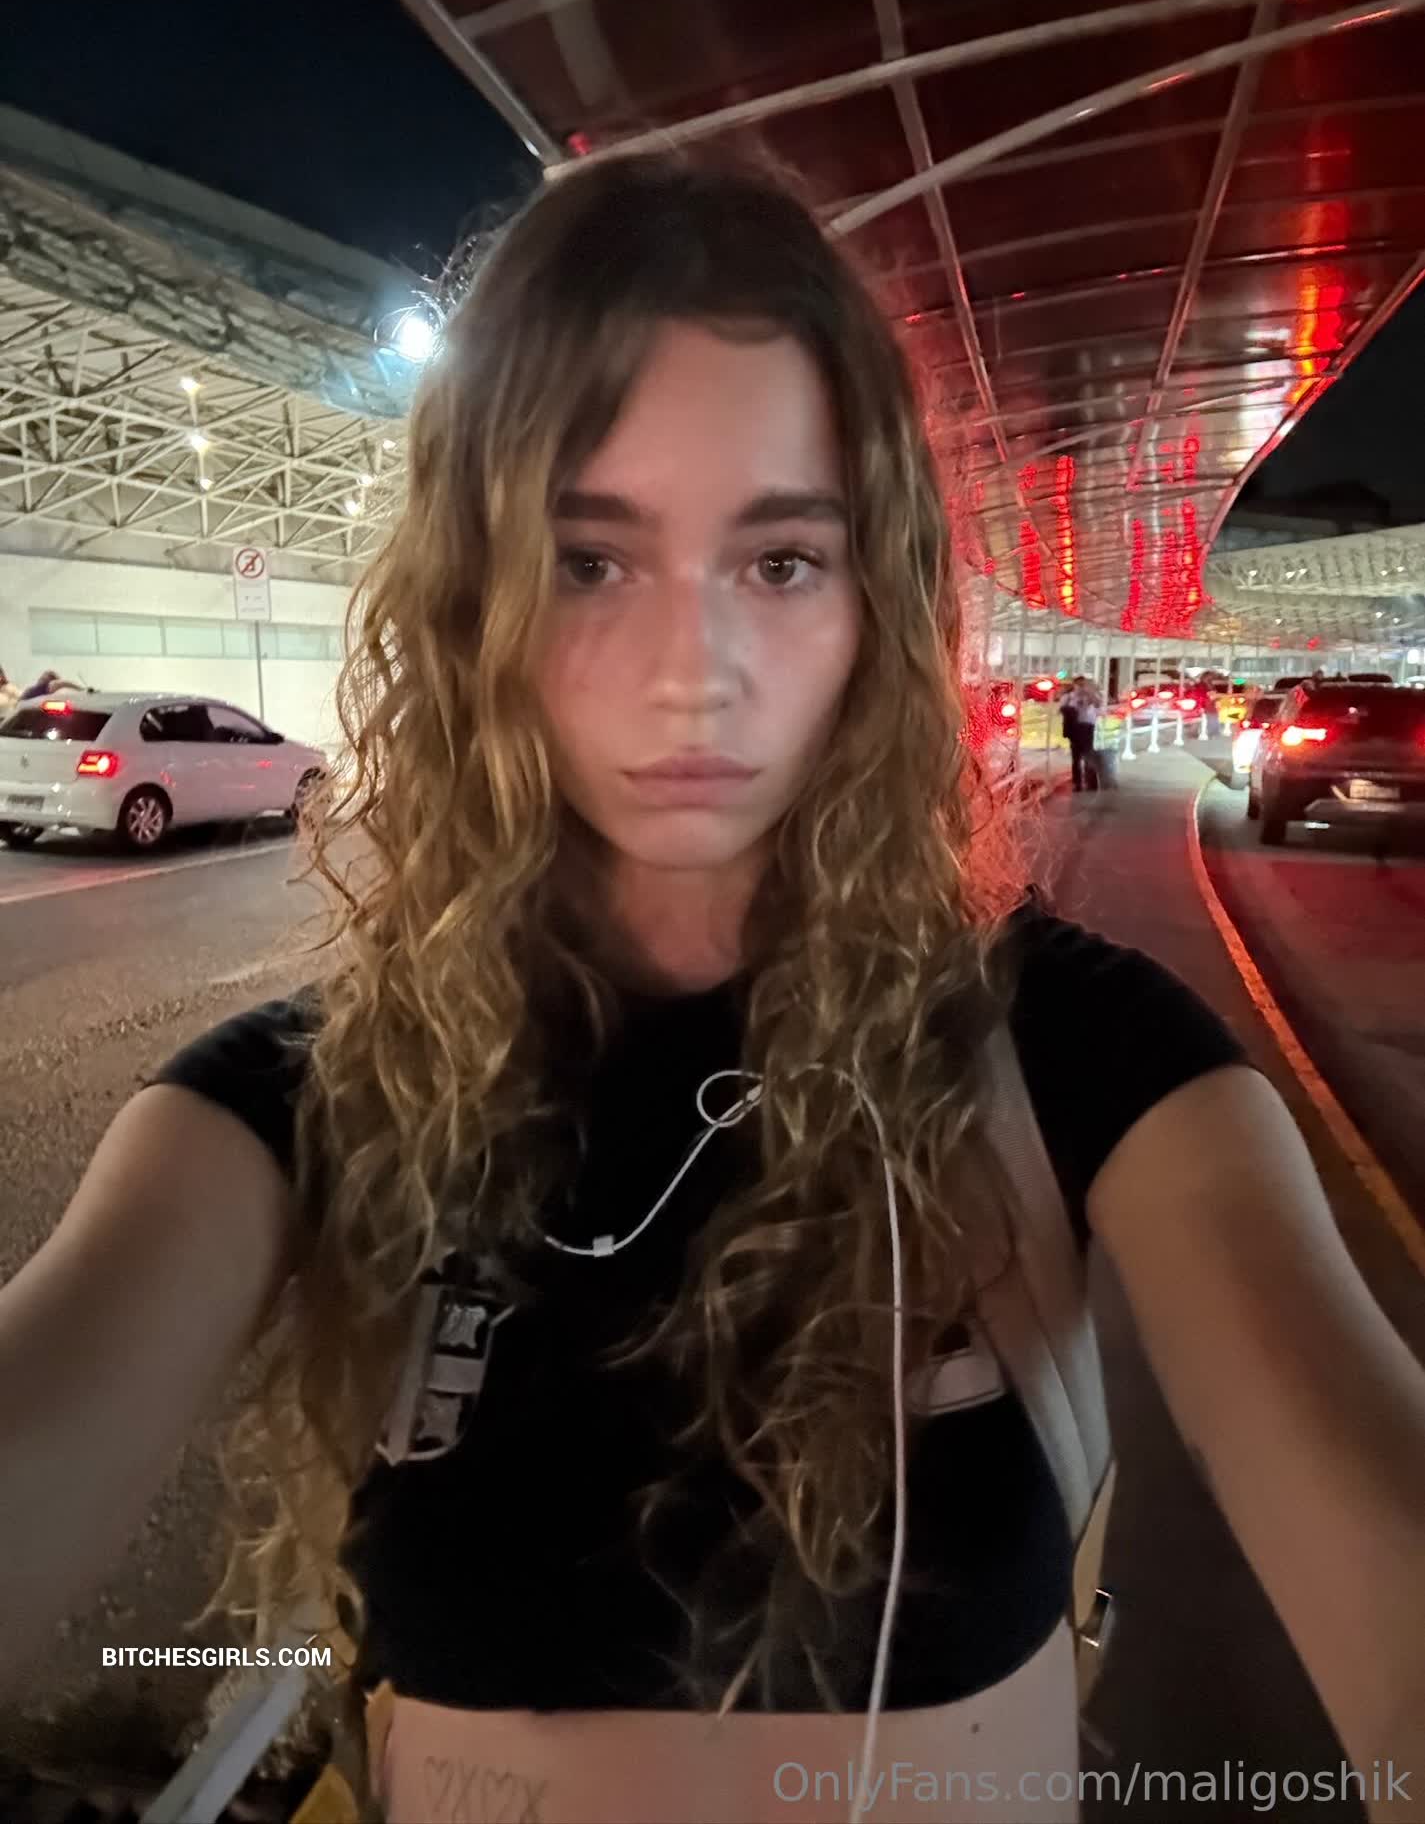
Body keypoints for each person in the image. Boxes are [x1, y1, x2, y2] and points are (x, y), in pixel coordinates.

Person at [1, 156, 1423, 1824]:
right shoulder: (287, 1112)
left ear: (877, 602)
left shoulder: (1081, 1065)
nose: (695, 673)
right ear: (472, 607)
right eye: (589, 562)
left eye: (781, 561)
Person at [1063, 676, 1102, 793]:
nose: (1081, 687)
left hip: (1087, 726)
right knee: (1076, 757)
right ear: (1074, 685)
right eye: (1078, 685)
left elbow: (1098, 704)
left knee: (1088, 754)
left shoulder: (1091, 695)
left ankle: (1091, 782)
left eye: (1083, 685)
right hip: (1075, 728)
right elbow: (1062, 709)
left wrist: (1089, 694)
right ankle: (1077, 783)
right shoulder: (1070, 697)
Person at [16, 667, 86, 701]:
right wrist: (82, 690)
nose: (42, 678)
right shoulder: (50, 685)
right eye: (42, 677)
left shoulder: (48, 686)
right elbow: (62, 683)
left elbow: (61, 683)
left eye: (45, 676)